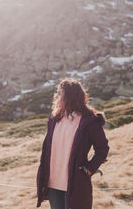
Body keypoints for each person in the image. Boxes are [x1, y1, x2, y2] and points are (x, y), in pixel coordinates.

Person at [36, 78, 109, 209]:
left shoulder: (89, 121)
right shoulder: (54, 119)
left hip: (75, 183)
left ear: (69, 96)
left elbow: (102, 148)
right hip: (53, 183)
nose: (56, 96)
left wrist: (89, 169)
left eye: (59, 93)